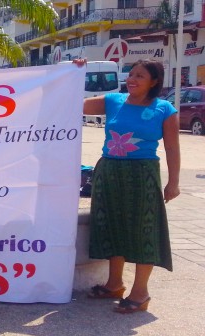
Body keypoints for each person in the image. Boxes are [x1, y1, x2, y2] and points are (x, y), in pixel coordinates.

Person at [74, 58, 181, 313]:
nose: (132, 79)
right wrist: (74, 71)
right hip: (109, 172)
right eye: (131, 74)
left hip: (142, 174)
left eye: (140, 76)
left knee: (144, 231)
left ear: (154, 82)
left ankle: (140, 293)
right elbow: (72, 102)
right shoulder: (113, 101)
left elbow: (172, 149)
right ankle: (114, 284)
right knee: (111, 226)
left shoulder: (164, 109)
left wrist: (173, 183)